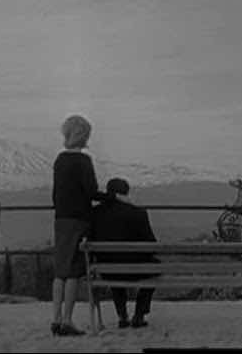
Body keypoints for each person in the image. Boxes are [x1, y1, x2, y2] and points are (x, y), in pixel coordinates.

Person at [50, 114, 108, 337]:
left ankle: (55, 318)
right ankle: (67, 320)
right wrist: (112, 198)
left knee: (60, 271)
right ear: (83, 136)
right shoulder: (83, 161)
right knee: (74, 271)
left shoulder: (59, 160)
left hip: (61, 218)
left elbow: (55, 193)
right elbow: (91, 192)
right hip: (78, 219)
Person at [90, 177, 160, 329]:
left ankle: (122, 315)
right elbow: (152, 245)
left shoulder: (95, 214)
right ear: (126, 193)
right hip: (136, 270)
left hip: (107, 270)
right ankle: (139, 314)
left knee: (113, 264)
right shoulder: (138, 213)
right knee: (156, 267)